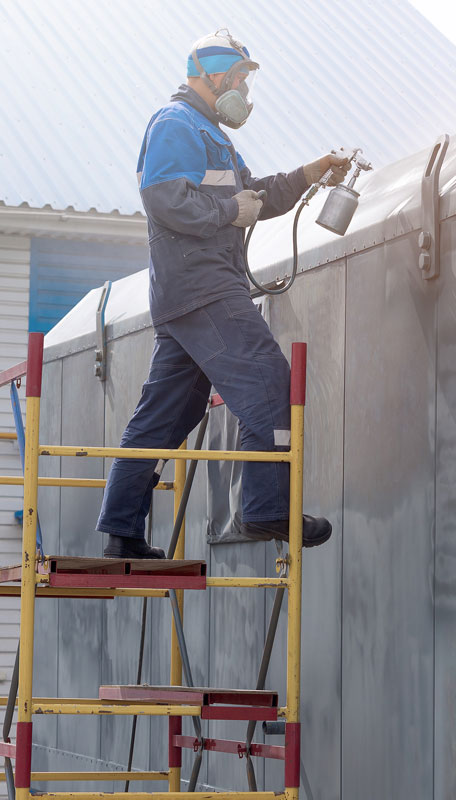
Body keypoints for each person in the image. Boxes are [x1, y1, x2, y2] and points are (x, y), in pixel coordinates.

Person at [97, 30, 344, 558]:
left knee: (166, 416)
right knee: (270, 380)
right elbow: (163, 198)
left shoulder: (214, 137)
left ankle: (122, 534)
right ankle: (265, 505)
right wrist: (230, 212)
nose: (242, 89)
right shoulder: (175, 124)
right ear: (209, 75)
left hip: (192, 292)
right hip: (204, 287)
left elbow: (258, 196)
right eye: (236, 77)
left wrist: (310, 173)